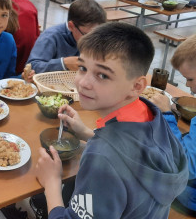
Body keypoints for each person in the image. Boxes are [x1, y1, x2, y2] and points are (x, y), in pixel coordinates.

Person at [35, 22, 188, 219]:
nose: (83, 82)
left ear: (137, 86)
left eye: (102, 75)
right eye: (82, 67)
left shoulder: (101, 158)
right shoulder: (153, 114)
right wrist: (86, 133)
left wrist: (51, 183)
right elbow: (136, 154)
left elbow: (110, 158)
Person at [150, 35, 196, 216]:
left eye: (190, 79)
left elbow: (185, 166)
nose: (189, 87)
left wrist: (167, 115)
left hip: (189, 199)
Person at [27, 0, 106, 73]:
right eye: (86, 35)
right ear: (71, 26)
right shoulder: (51, 36)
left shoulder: (91, 36)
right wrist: (64, 63)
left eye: (95, 35)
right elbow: (32, 66)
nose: (92, 40)